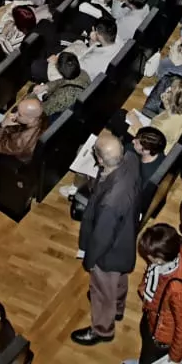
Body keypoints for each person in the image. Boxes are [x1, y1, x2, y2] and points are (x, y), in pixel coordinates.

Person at [72, 132, 142, 347]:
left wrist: (89, 260)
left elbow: (102, 237)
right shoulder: (130, 159)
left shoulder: (111, 201)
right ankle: (118, 308)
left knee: (101, 290)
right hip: (124, 241)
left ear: (100, 160)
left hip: (108, 251)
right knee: (118, 279)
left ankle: (102, 329)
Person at [135, 224, 182, 363]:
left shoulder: (177, 290)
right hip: (154, 319)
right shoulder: (174, 251)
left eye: (149, 255)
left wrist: (174, 358)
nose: (147, 256)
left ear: (160, 259)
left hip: (162, 338)